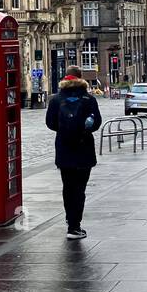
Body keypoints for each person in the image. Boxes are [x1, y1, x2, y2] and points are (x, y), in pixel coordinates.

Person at [45, 65, 102, 240]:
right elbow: (97, 122)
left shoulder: (56, 99)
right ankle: (76, 225)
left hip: (64, 149)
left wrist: (64, 131)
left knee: (68, 187)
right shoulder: (88, 98)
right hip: (84, 148)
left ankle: (70, 223)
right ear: (81, 78)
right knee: (80, 188)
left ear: (65, 78)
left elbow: (50, 123)